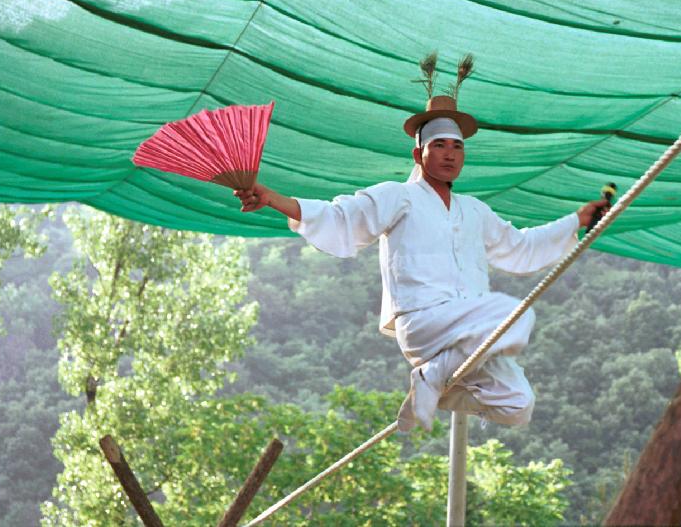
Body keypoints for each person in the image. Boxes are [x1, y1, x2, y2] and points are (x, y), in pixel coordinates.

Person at [235, 74, 608, 433]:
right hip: (426, 323)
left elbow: (521, 247)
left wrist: (576, 219)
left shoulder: (475, 210)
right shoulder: (399, 197)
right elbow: (339, 217)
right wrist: (272, 199)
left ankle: (437, 383)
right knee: (513, 318)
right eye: (439, 145)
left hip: (472, 333)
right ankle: (434, 373)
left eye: (457, 146)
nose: (449, 155)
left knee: (518, 405)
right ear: (419, 153)